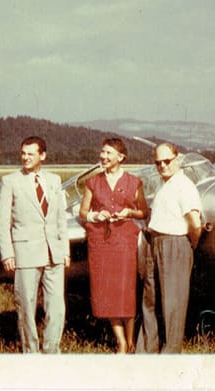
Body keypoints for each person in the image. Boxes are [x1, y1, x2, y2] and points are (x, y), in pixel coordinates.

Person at [0, 136, 70, 353]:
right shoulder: (10, 181)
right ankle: (31, 351)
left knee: (56, 307)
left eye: (30, 154)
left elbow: (60, 219)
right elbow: (2, 221)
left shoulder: (54, 180)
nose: (25, 158)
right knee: (26, 305)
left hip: (54, 252)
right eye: (23, 153)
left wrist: (64, 250)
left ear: (42, 156)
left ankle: (52, 349)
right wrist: (7, 254)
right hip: (25, 253)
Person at [79, 138, 148, 353]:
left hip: (124, 241)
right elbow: (83, 212)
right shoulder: (93, 182)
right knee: (105, 290)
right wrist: (95, 214)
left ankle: (131, 341)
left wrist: (129, 212)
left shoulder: (134, 182)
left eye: (108, 153)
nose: (103, 157)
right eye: (102, 152)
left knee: (125, 290)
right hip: (100, 242)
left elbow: (143, 212)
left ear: (121, 157)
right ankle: (121, 341)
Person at [136, 142, 203, 353]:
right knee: (150, 299)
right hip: (155, 242)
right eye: (158, 162)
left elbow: (195, 222)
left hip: (175, 243)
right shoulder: (164, 184)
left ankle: (170, 354)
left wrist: (190, 244)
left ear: (178, 159)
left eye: (167, 161)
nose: (163, 166)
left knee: (172, 303)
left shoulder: (184, 186)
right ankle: (147, 350)